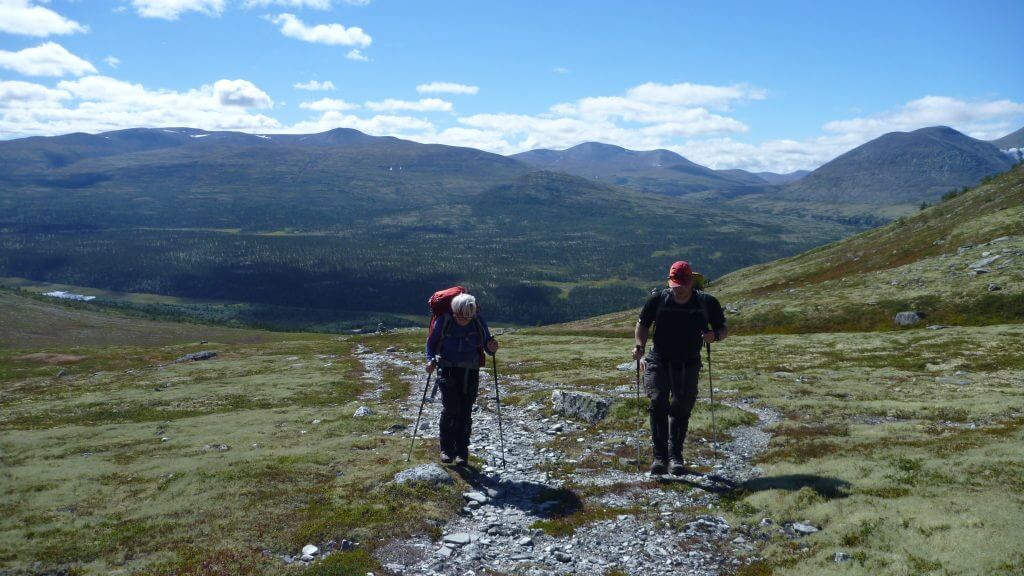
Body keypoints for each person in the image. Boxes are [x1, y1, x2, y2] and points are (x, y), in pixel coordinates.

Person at [632, 261, 728, 476]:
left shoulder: (707, 302)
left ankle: (675, 456)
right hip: (658, 360)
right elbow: (643, 325)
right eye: (674, 283)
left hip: (689, 363)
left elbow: (723, 328)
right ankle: (659, 458)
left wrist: (715, 336)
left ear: (691, 283)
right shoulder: (657, 301)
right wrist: (639, 346)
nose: (678, 288)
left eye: (682, 284)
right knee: (657, 401)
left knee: (682, 407)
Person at [425, 293, 499, 465]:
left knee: (465, 410)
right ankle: (446, 449)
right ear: (454, 311)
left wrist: (492, 348)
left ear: (473, 313)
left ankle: (461, 453)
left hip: (470, 371)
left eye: (468, 316)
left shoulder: (477, 320)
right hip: (448, 369)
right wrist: (430, 360)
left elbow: (488, 344)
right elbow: (431, 343)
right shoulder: (444, 321)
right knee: (451, 409)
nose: (464, 319)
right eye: (460, 316)